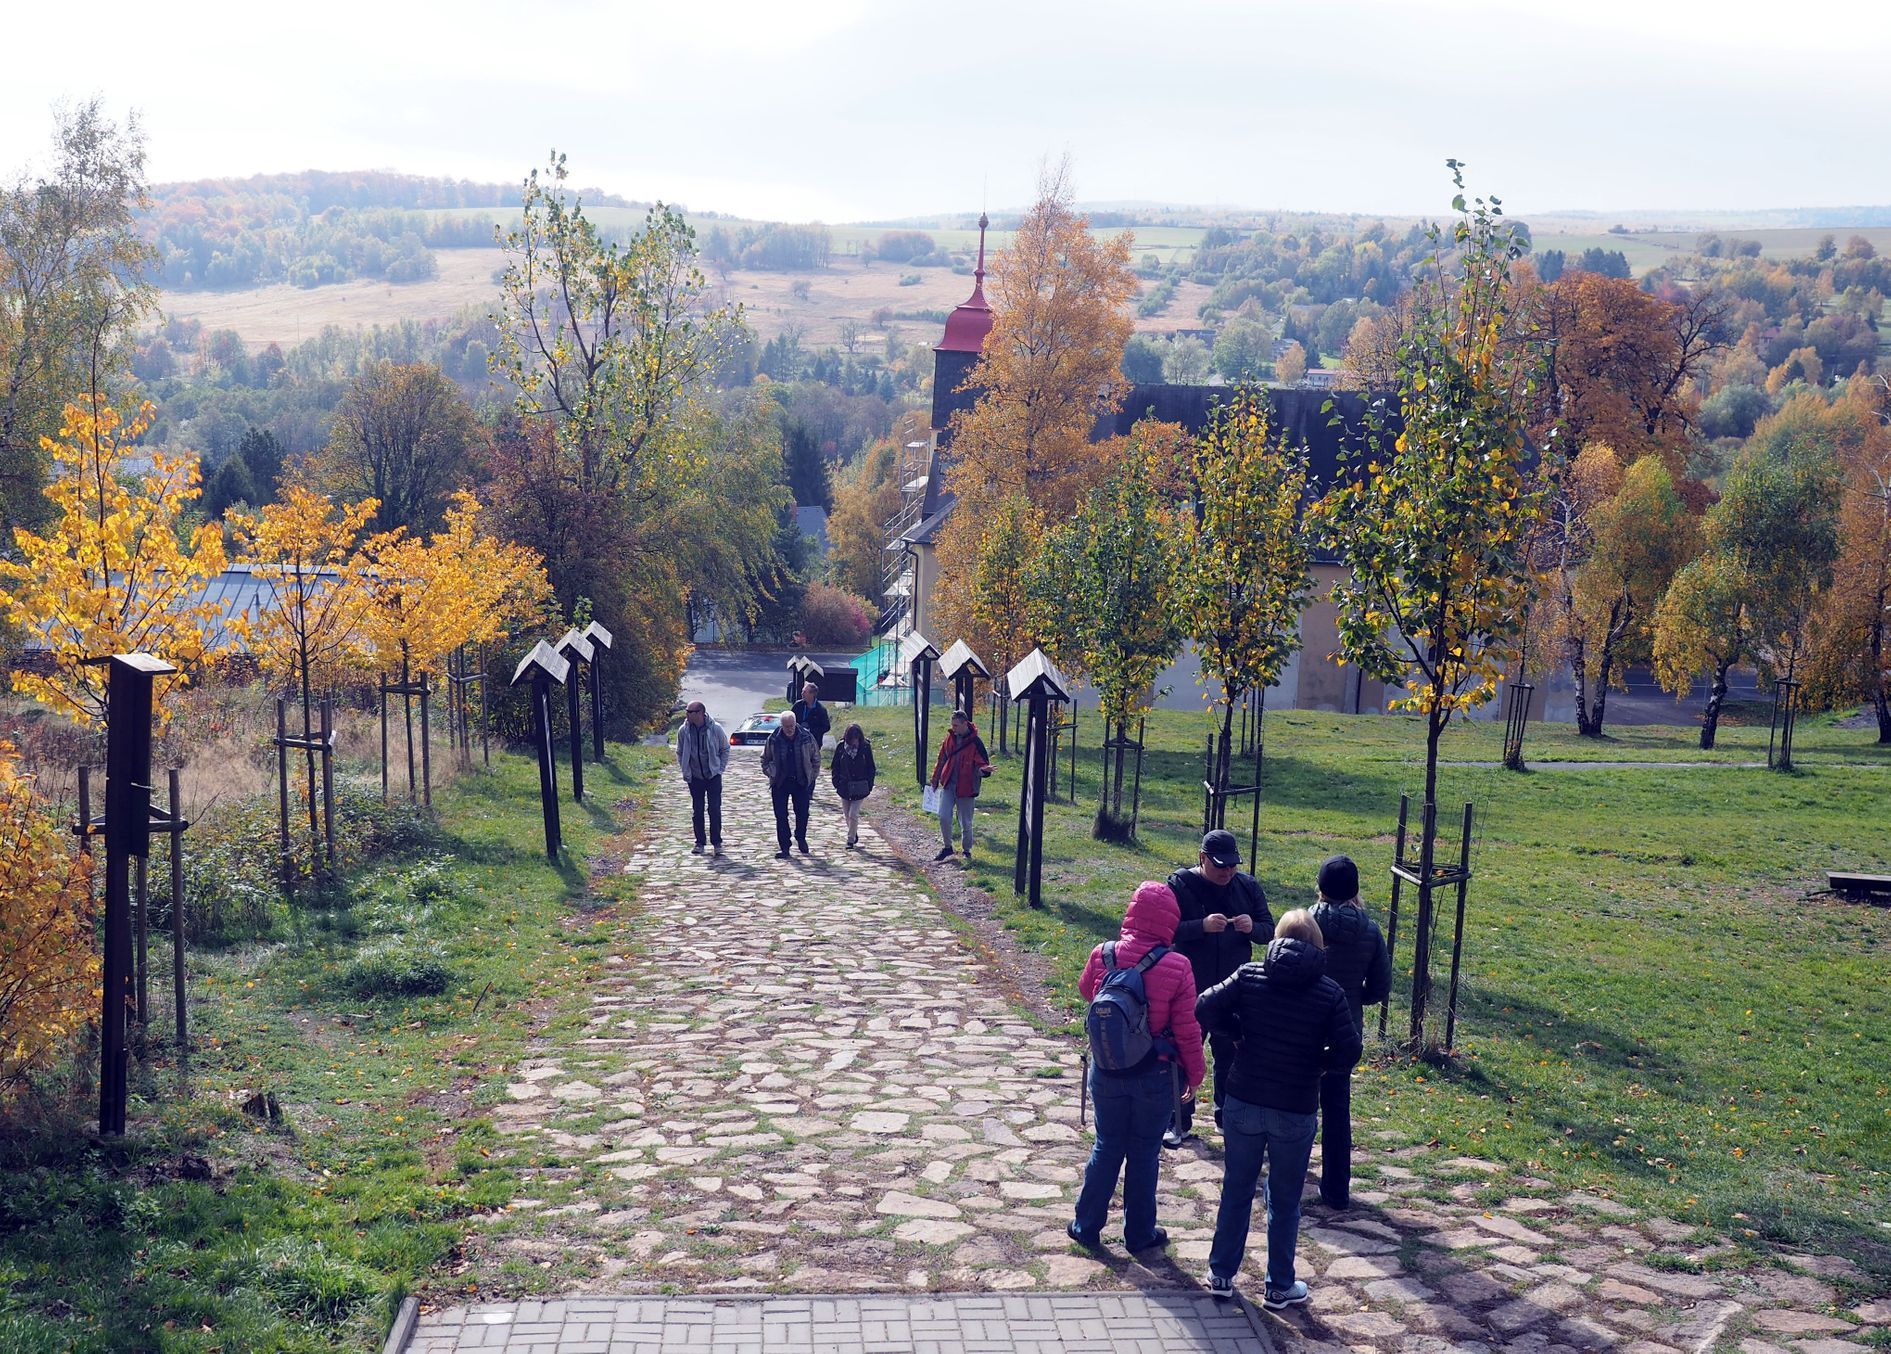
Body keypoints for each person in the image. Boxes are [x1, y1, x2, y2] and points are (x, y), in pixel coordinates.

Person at [1196, 909, 1361, 1309]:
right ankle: (1279, 1285)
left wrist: (1235, 1035)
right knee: (1285, 1199)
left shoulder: (1250, 975)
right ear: (1318, 945)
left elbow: (1205, 1006)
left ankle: (1221, 1274)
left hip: (1245, 1099)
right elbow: (1350, 1050)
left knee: (1236, 1188)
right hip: (1295, 1106)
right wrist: (1321, 1065)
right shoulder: (1329, 993)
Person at [1069, 881, 1205, 1255]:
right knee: (1144, 1153)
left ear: (1131, 913)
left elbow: (1086, 992)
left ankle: (1086, 1225)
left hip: (1107, 1067)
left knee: (1107, 1145)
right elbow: (1187, 1029)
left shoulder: (1103, 954)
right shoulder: (1178, 965)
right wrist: (1195, 1074)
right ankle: (1139, 1233)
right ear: (1170, 920)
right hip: (1155, 1074)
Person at [1166, 829, 1275, 1145]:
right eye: (1219, 866)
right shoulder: (1180, 885)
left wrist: (1252, 927)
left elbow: (1270, 929)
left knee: (1230, 1053)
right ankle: (1178, 1120)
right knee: (1185, 1053)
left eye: (1232, 866)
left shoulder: (1248, 887)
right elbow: (1166, 929)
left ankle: (1226, 1117)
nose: (1227, 872)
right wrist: (1199, 927)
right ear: (1202, 859)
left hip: (1233, 989)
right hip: (1191, 986)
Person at [1308, 854, 1391, 1210]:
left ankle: (1289, 1177)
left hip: (1302, 1027)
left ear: (1321, 888)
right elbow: (1380, 988)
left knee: (1296, 1105)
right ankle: (1337, 1190)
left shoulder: (1305, 923)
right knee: (1337, 1110)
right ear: (1356, 890)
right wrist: (1355, 998)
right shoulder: (1370, 931)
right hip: (1344, 1032)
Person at [929, 709, 991, 862]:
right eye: (952, 725)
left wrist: (983, 771)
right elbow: (941, 758)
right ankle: (947, 847)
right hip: (949, 785)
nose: (953, 729)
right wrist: (935, 779)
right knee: (943, 816)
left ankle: (966, 850)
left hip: (967, 788)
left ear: (965, 724)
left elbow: (983, 765)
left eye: (956, 725)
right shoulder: (949, 738)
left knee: (966, 822)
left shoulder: (976, 742)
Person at [759, 709, 819, 859]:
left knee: (803, 813)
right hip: (780, 782)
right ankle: (784, 847)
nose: (790, 729)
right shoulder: (774, 739)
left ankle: (801, 837)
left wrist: (811, 776)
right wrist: (771, 772)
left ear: (795, 723)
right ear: (782, 726)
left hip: (801, 782)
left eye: (792, 725)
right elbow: (764, 760)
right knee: (781, 815)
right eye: (787, 726)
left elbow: (816, 758)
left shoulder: (806, 737)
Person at [673, 701, 729, 855]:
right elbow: (679, 751)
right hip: (695, 776)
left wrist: (719, 769)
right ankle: (699, 842)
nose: (687, 714)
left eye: (691, 712)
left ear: (700, 713)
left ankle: (717, 842)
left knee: (714, 809)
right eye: (687, 711)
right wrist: (685, 769)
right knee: (697, 810)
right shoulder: (683, 730)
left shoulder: (715, 728)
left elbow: (725, 749)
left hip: (712, 776)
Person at [829, 723, 877, 849]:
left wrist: (869, 784)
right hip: (844, 786)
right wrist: (836, 782)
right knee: (846, 814)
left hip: (860, 786)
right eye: (852, 739)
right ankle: (853, 833)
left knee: (853, 814)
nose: (854, 742)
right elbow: (835, 766)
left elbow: (871, 767)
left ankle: (850, 840)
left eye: (857, 739)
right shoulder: (841, 747)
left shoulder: (865, 747)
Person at [791, 681, 831, 750]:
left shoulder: (820, 710)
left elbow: (826, 727)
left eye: (804, 692)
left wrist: (811, 730)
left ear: (812, 694)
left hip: (813, 743)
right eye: (802, 691)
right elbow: (791, 719)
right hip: (797, 741)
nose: (802, 694)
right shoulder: (798, 705)